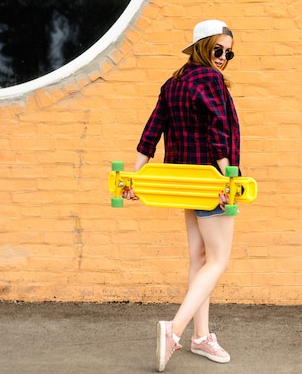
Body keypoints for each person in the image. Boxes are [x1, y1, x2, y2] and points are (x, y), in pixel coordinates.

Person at [123, 19, 241, 372]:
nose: (222, 58)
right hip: (209, 180)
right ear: (203, 47)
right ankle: (173, 331)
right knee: (219, 260)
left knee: (199, 257)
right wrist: (228, 178)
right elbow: (218, 132)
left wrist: (135, 175)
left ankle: (201, 337)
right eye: (217, 50)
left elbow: (151, 131)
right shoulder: (210, 80)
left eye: (228, 53)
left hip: (183, 181)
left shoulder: (172, 82)